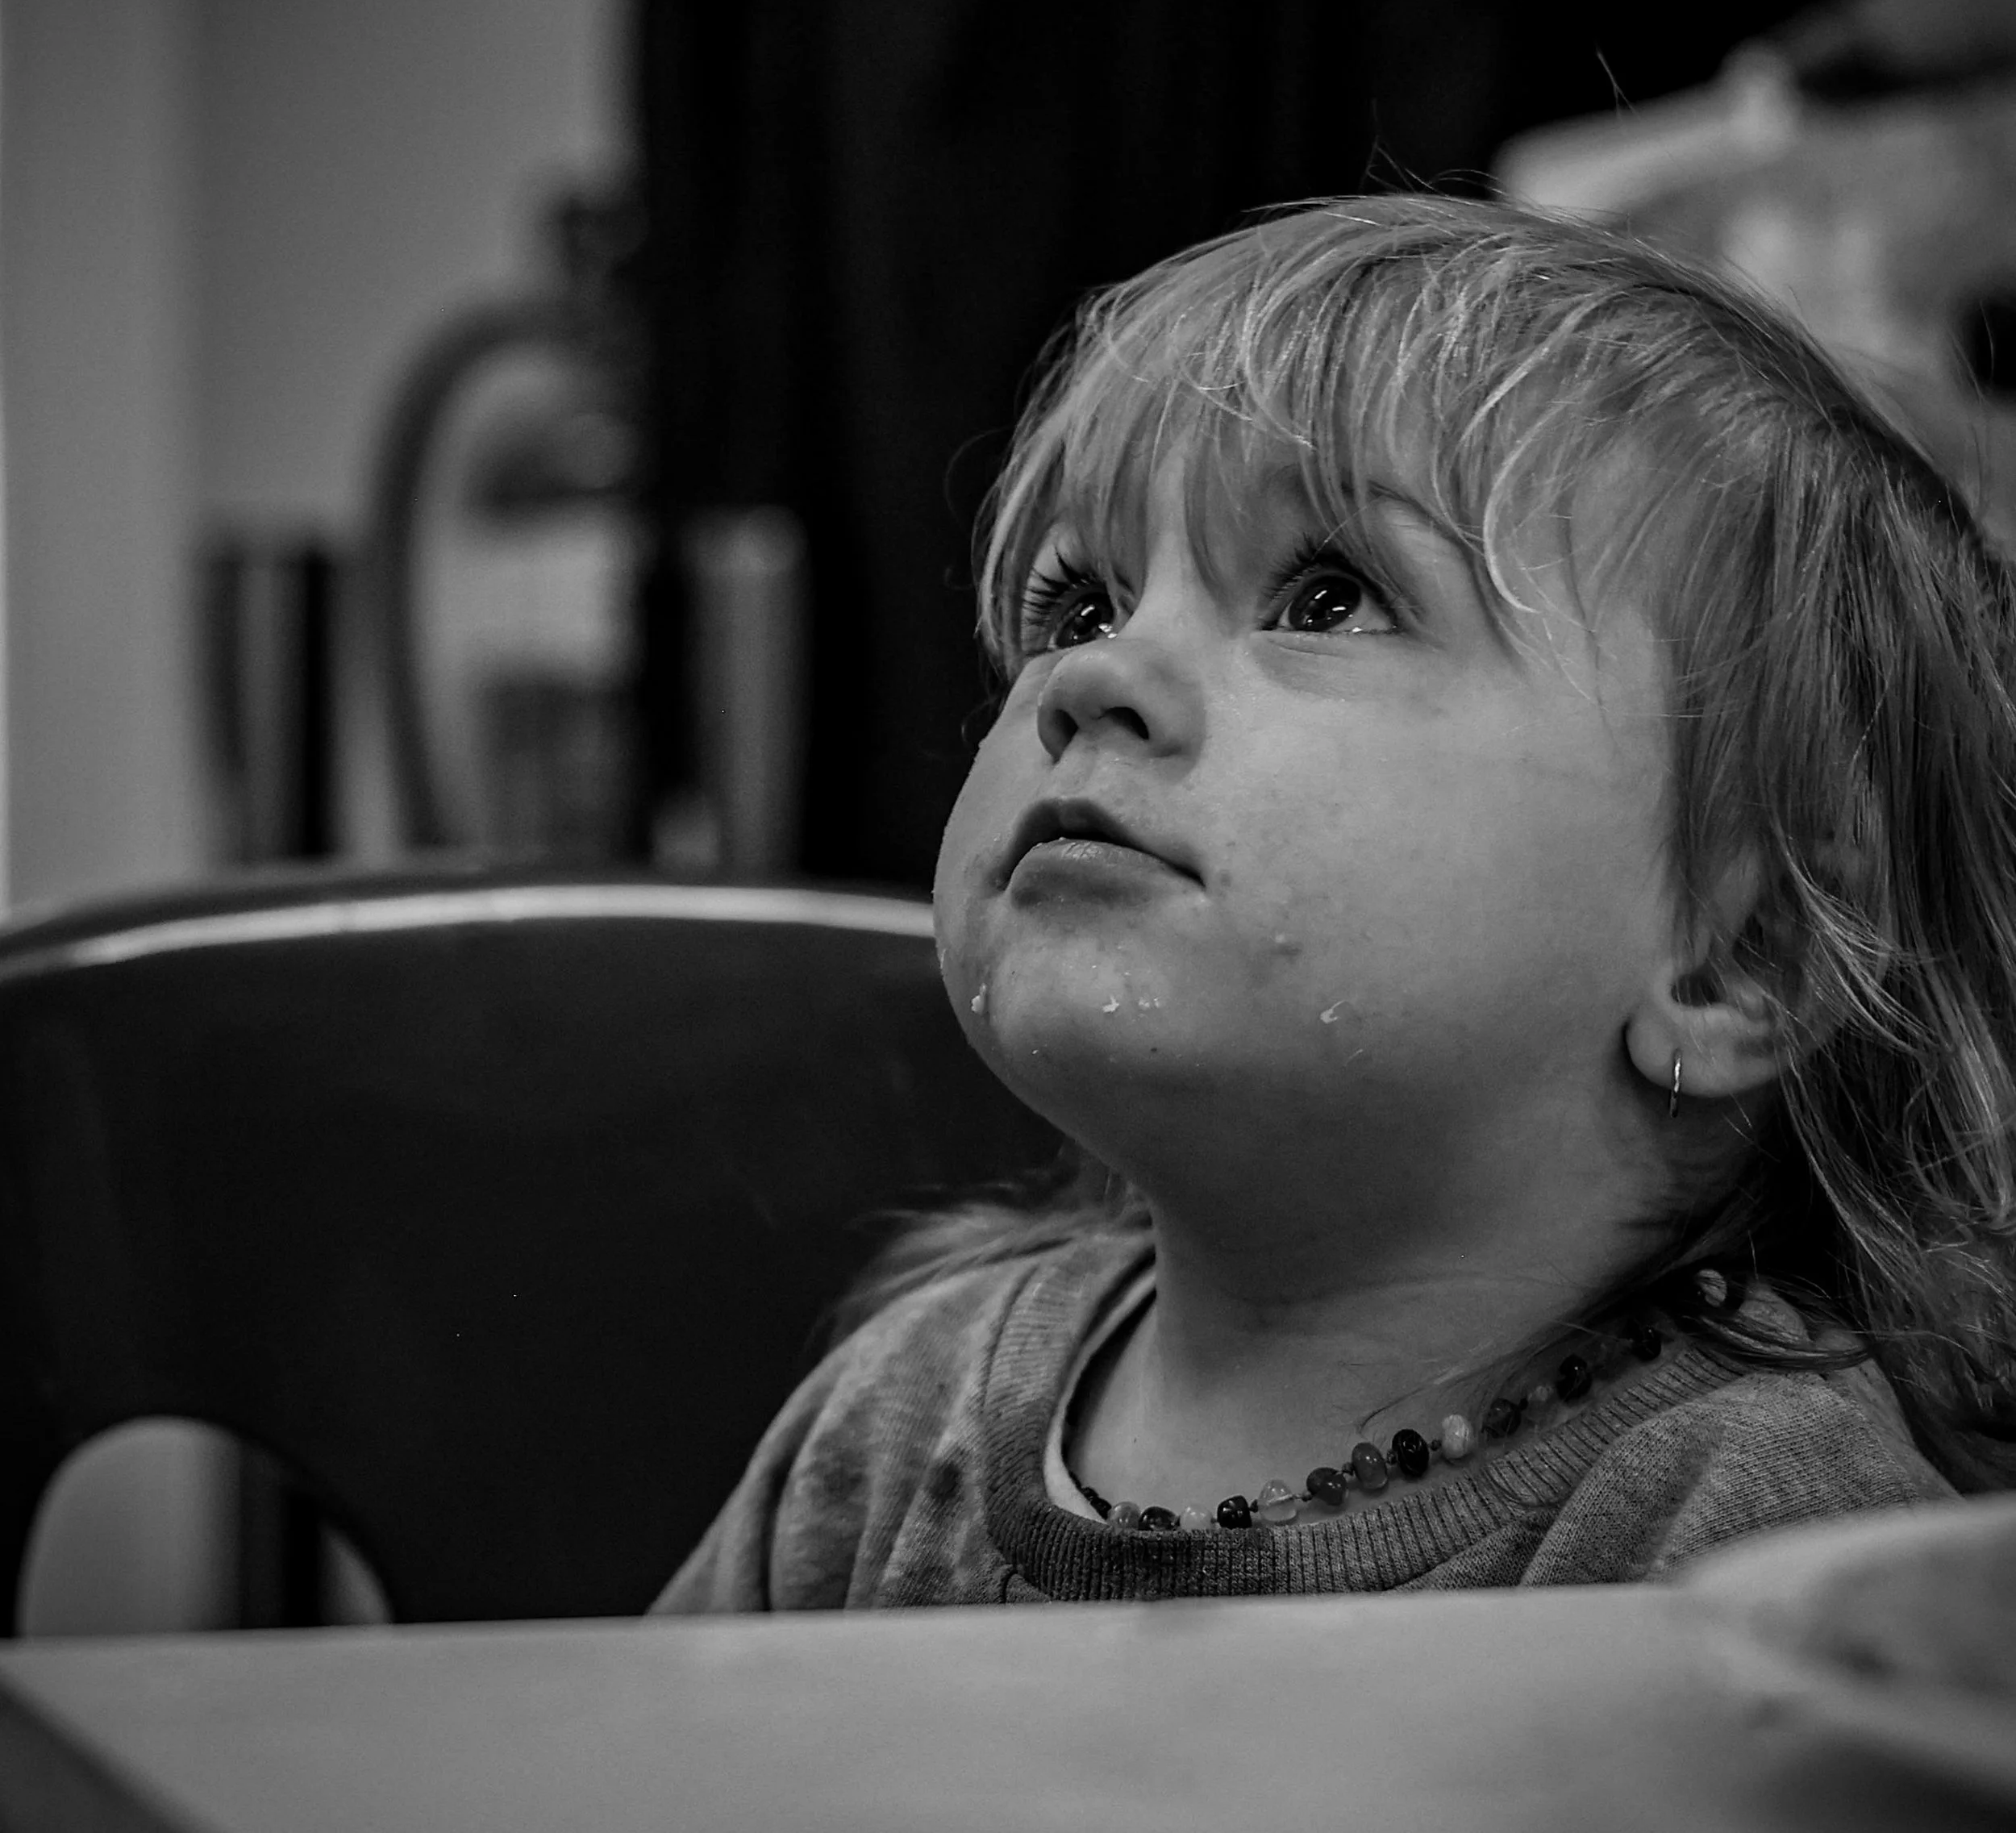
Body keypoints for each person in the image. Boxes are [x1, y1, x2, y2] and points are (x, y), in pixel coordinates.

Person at [658, 196, 2015, 1610]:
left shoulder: (1763, 1549)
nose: (1089, 679)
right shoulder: (891, 1419)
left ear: (1746, 956)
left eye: (1330, 597)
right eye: (1081, 605)